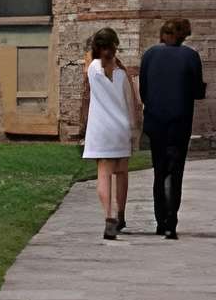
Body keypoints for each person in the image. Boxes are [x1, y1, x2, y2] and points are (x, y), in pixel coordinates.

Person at [139, 16, 206, 239]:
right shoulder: (190, 56)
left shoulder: (149, 55)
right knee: (175, 171)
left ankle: (160, 220)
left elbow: (144, 91)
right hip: (180, 121)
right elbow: (197, 91)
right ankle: (171, 222)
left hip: (156, 120)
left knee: (159, 171)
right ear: (183, 35)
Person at [77, 26, 141, 241]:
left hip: (100, 128)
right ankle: (121, 214)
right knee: (122, 173)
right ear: (115, 46)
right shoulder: (122, 74)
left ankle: (109, 218)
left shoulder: (92, 68)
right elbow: (131, 104)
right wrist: (133, 128)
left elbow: (91, 62)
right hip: (120, 127)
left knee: (103, 175)